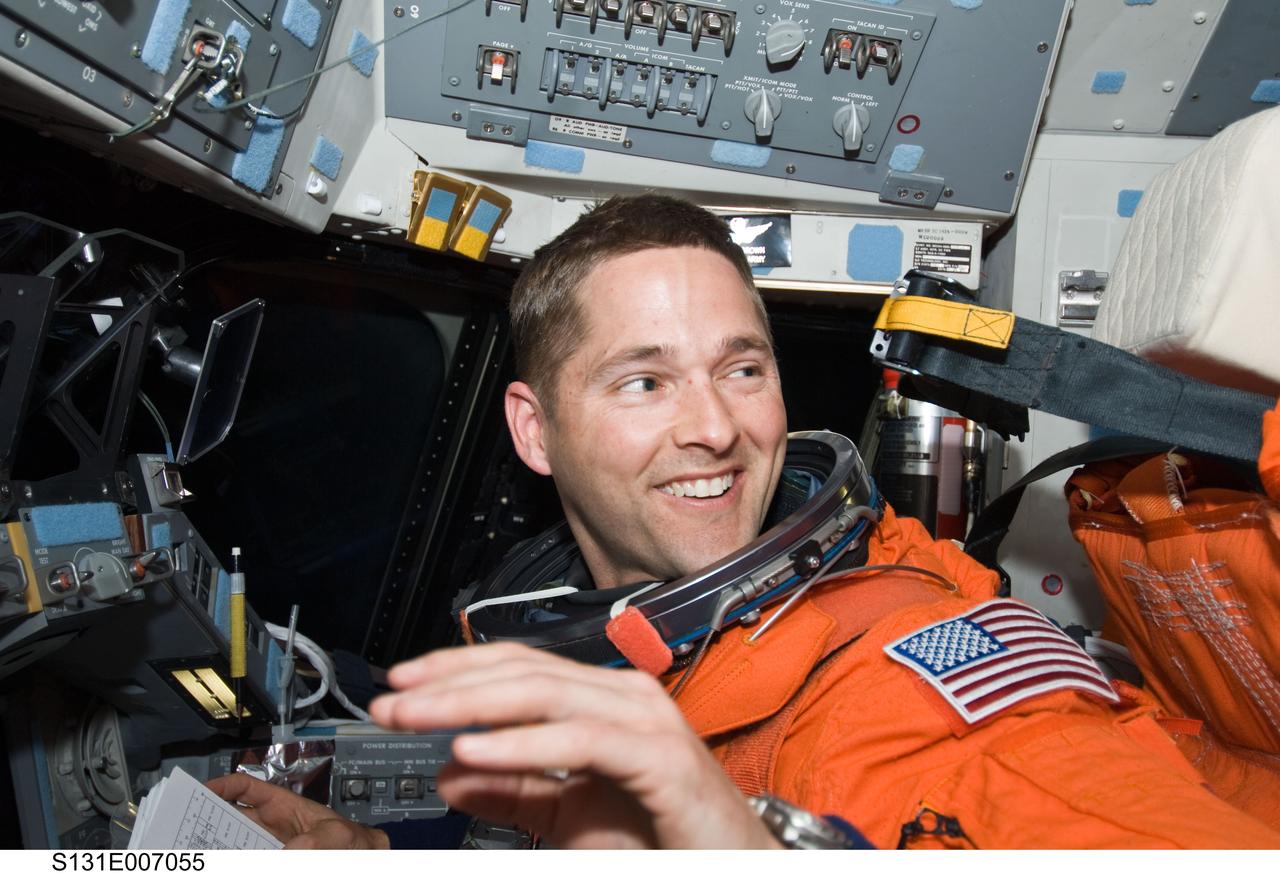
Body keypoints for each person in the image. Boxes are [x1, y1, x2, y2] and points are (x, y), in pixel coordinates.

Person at [210, 195, 1280, 849]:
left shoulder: (907, 699)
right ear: (535, 432)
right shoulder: (658, 662)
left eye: (742, 368)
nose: (716, 428)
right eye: (644, 382)